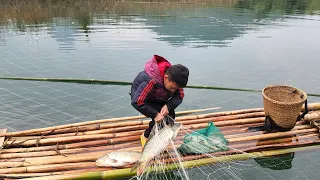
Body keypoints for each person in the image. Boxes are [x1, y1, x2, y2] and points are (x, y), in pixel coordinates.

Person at [130, 55, 189, 147]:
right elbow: (137, 101)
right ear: (165, 77)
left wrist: (168, 106)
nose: (173, 90)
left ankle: (158, 137)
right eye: (172, 87)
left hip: (158, 97)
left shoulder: (175, 80)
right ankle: (146, 137)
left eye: (176, 88)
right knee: (160, 117)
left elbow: (179, 96)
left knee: (169, 116)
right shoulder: (151, 81)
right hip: (142, 99)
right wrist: (155, 115)